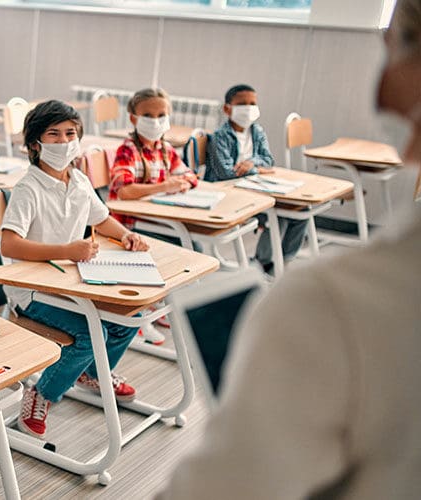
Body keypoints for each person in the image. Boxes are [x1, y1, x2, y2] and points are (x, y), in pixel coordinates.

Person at [162, 1, 421, 496]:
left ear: (392, 81)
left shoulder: (330, 303)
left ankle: (264, 259)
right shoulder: (336, 300)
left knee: (296, 218)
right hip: (232, 193)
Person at [0, 100, 149, 439]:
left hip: (71, 284)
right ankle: (42, 392)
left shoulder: (79, 179)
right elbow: (9, 245)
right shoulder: (28, 187)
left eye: (70, 133)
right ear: (35, 144)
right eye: (54, 134)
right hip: (33, 291)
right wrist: (67, 250)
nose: (64, 141)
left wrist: (126, 235)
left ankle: (93, 372)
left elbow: (101, 219)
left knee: (128, 318)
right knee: (86, 335)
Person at [108, 87, 199, 344]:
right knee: (175, 250)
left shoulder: (165, 149)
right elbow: (124, 191)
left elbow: (190, 175)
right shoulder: (127, 150)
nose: (156, 120)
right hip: (130, 225)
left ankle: (158, 302)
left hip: (156, 219)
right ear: (133, 118)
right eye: (148, 114)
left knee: (191, 247)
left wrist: (183, 183)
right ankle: (143, 313)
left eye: (162, 114)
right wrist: (165, 186)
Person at [207, 84, 308, 273]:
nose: (248, 108)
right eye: (242, 104)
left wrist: (251, 164)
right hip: (229, 192)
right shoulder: (219, 137)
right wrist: (256, 169)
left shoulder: (257, 132)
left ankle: (281, 261)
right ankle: (264, 262)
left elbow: (268, 160)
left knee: (301, 210)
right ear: (227, 109)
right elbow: (226, 173)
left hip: (253, 185)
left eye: (252, 103)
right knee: (278, 214)